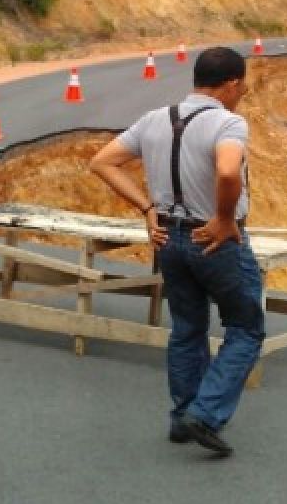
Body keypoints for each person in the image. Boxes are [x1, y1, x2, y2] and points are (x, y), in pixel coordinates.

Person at [90, 46, 264, 458]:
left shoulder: (155, 119)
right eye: (243, 85)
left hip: (169, 238)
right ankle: (205, 414)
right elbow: (227, 170)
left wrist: (148, 208)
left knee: (188, 328)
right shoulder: (229, 123)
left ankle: (183, 417)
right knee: (245, 328)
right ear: (232, 84)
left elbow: (103, 161)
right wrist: (223, 218)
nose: (243, 92)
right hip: (215, 240)